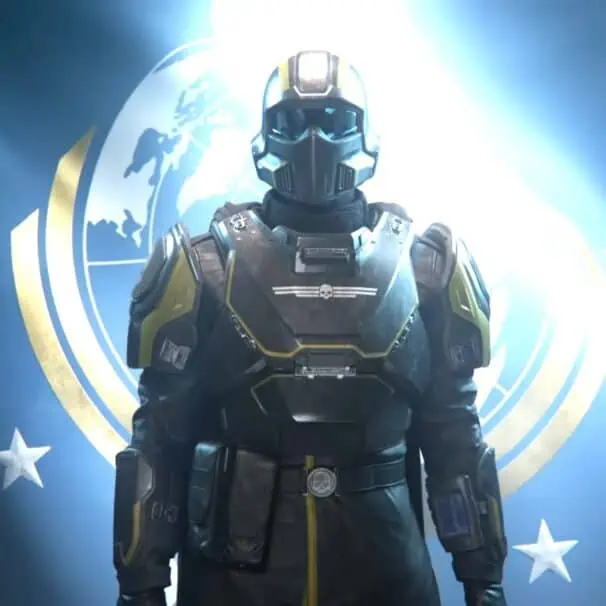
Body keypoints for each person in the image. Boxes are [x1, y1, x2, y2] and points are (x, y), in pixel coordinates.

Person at [113, 50, 508, 606]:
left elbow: (455, 443)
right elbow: (160, 440)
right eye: (293, 121)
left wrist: (483, 579)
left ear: (364, 132)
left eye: (335, 119)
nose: (314, 139)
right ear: (265, 134)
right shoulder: (204, 266)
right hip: (237, 580)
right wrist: (142, 585)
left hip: (385, 570)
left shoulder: (426, 268)